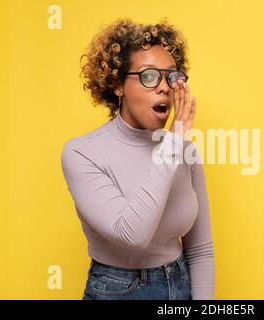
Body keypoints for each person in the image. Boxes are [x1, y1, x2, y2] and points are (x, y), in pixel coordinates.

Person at [60, 18, 214, 300]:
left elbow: (201, 249)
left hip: (180, 287)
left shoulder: (185, 152)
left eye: (171, 76)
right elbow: (133, 235)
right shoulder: (81, 153)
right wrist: (174, 143)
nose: (164, 87)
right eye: (148, 76)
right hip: (118, 291)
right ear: (118, 84)